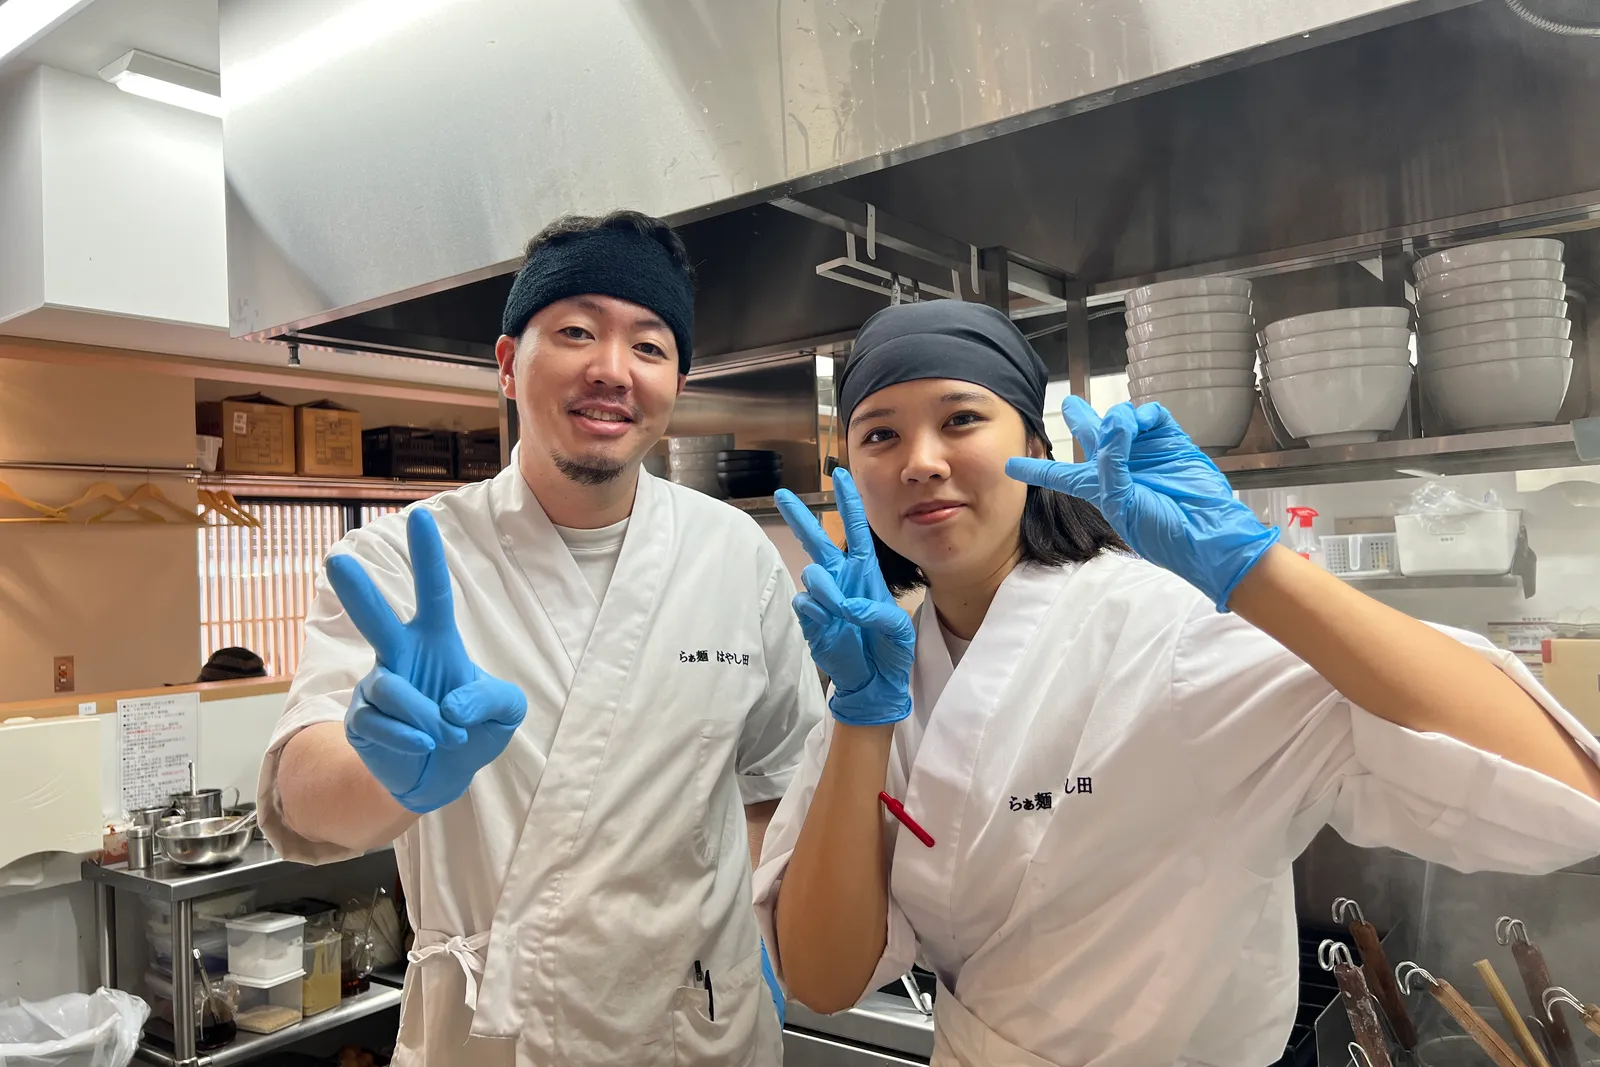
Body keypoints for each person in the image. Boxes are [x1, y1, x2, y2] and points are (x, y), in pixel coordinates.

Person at [753, 299, 1600, 1067]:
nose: (921, 461)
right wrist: (861, 719)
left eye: (961, 418)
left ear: (1035, 447)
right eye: (880, 435)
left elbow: (1568, 797)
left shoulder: (1172, 630)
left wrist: (1257, 570)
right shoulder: (881, 661)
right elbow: (824, 979)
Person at [257, 210, 823, 1066]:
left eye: (649, 345)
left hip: (697, 1029)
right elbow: (300, 798)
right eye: (576, 332)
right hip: (496, 1037)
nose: (612, 370)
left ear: (676, 381)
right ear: (507, 364)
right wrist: (387, 772)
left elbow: (774, 786)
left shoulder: (735, 554)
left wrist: (756, 936)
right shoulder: (404, 557)